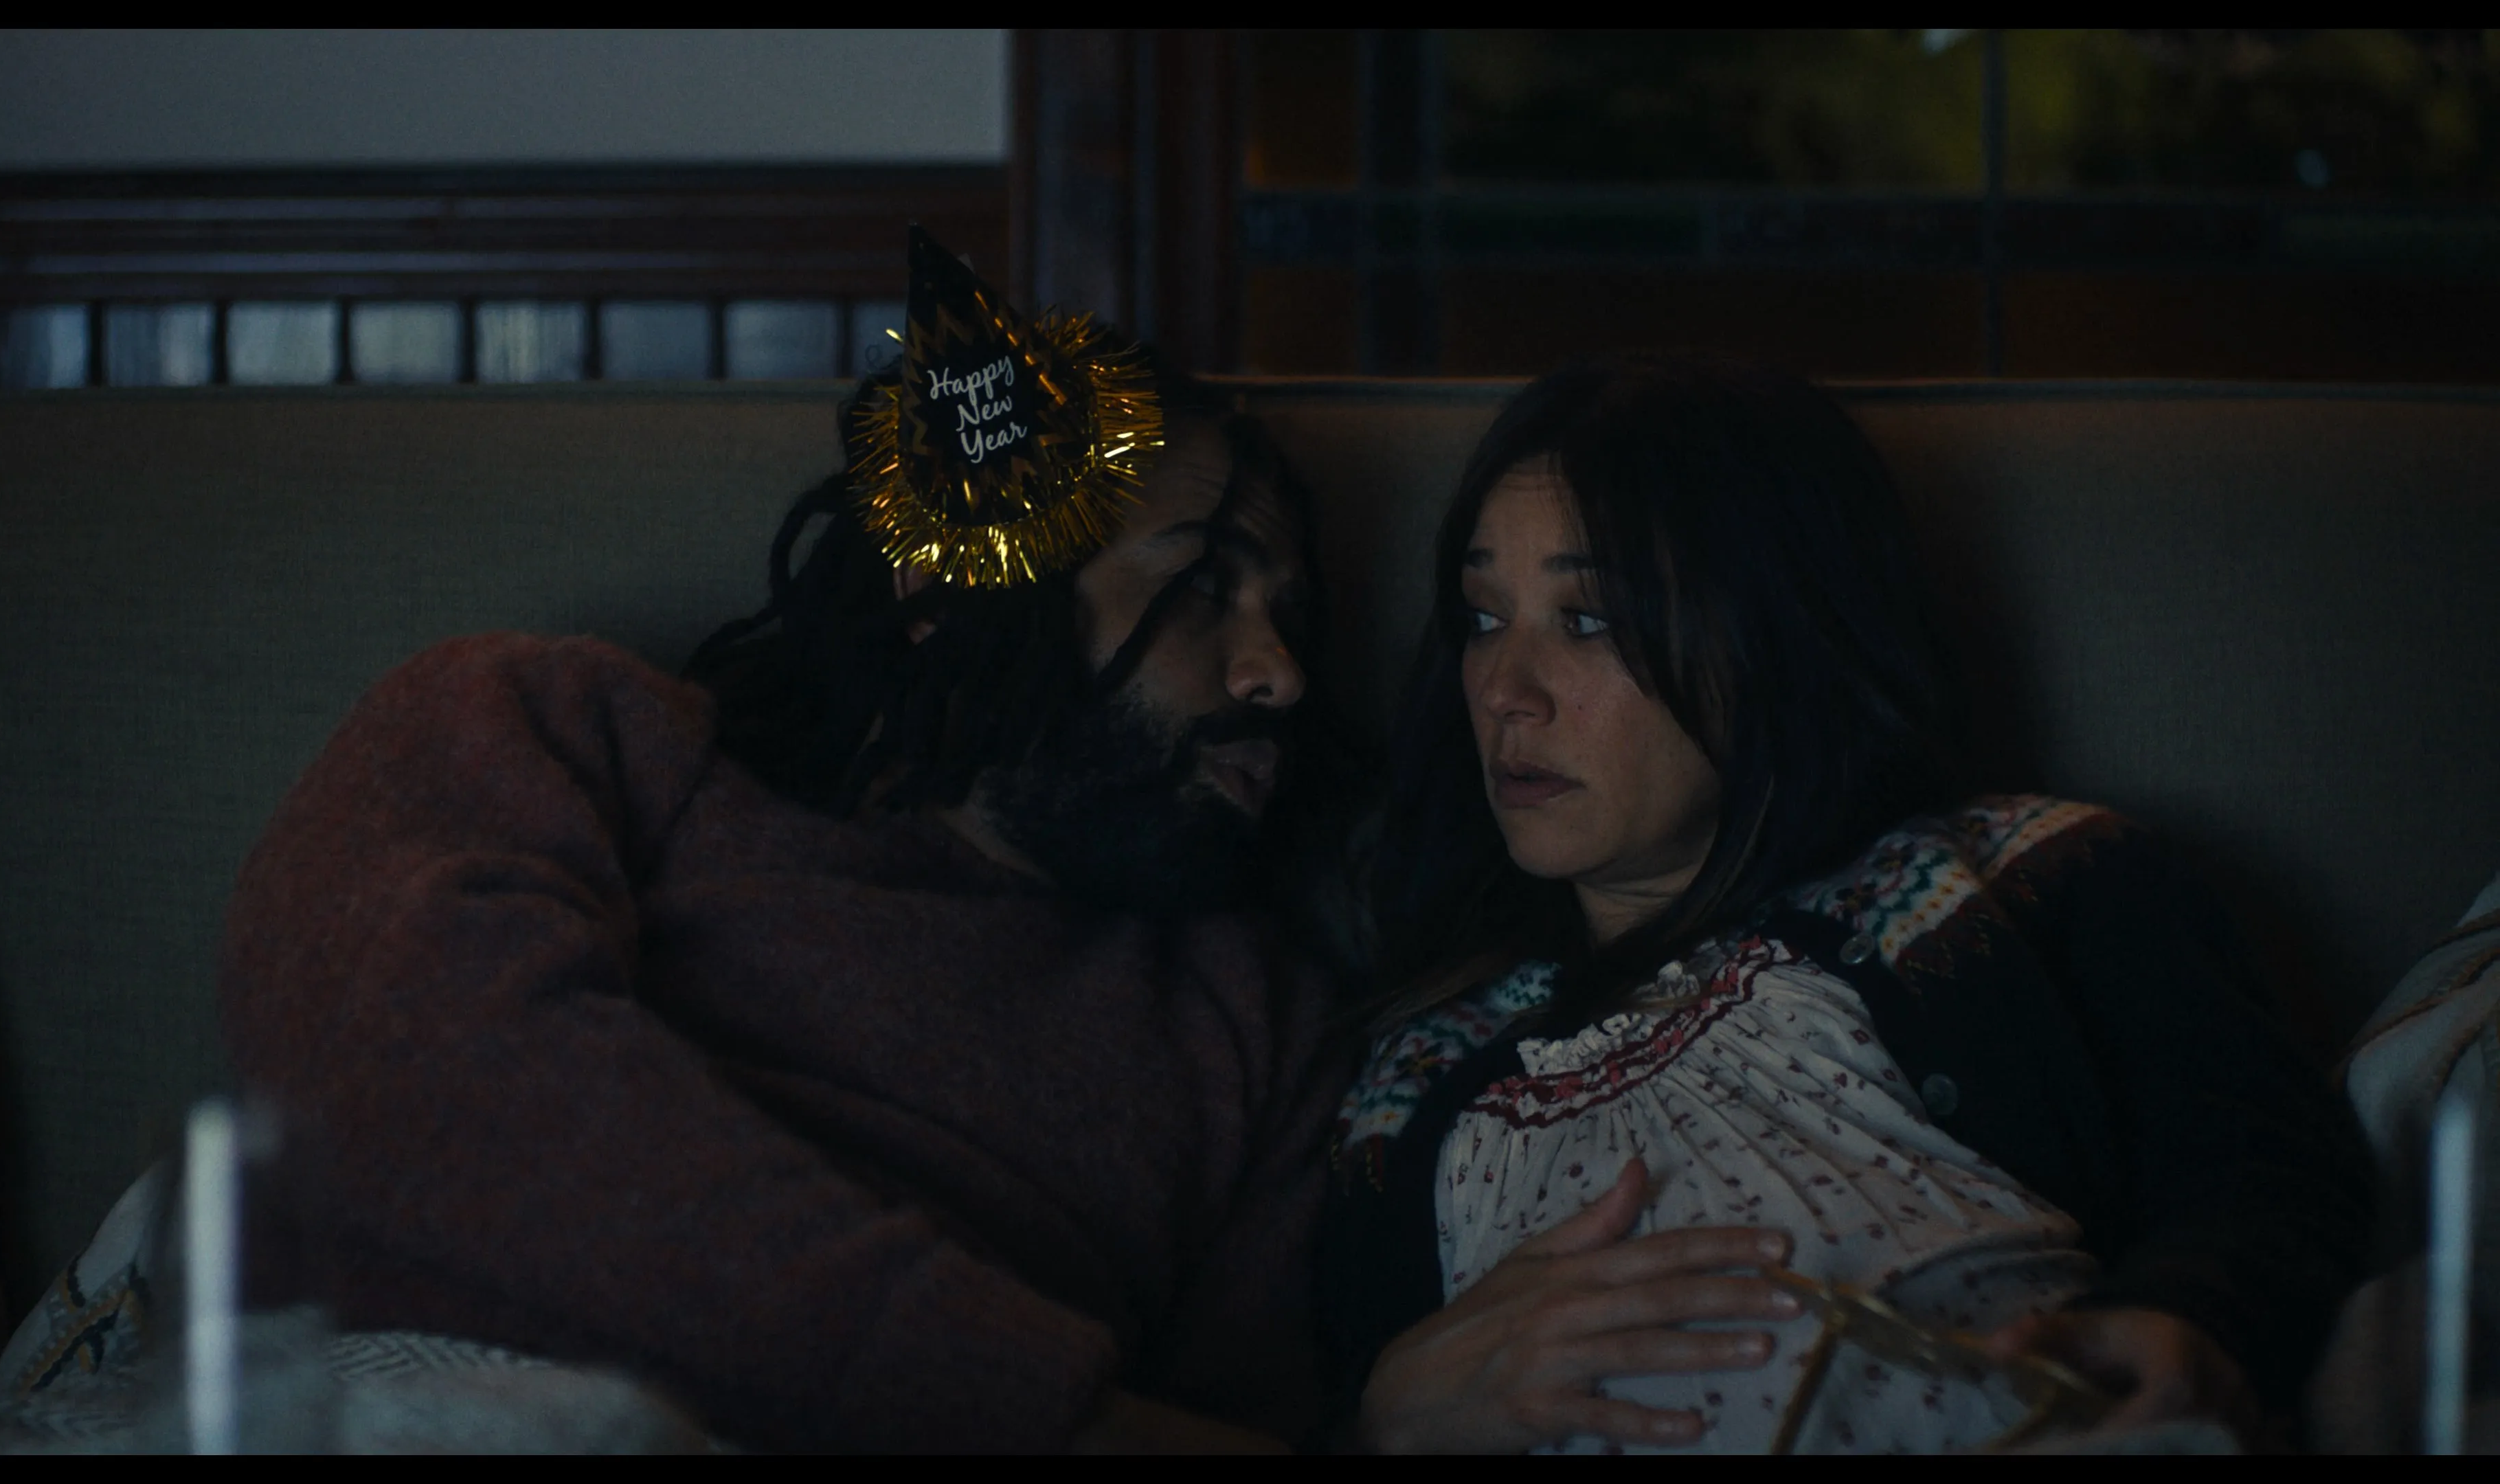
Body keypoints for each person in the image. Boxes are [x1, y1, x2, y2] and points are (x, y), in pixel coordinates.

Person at [218, 232, 1355, 1451]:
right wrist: (1031, 1407)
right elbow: (404, 1073)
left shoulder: (1252, 1022)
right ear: (955, 591)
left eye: (1289, 619)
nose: (1279, 673)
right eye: (1203, 588)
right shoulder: (573, 732)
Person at [1322, 355, 2372, 1453]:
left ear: (1772, 630)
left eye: (1588, 620)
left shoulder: (2021, 880)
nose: (1505, 690)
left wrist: (2194, 1319)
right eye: (1483, 618)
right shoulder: (1411, 1077)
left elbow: (2270, 1171)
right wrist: (1389, 1411)